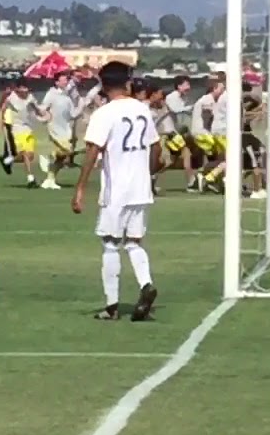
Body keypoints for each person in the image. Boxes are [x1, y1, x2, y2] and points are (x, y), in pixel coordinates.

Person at [71, 61, 161, 322]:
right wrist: (150, 173)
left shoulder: (105, 113)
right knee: (134, 242)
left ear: (103, 84)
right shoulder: (142, 110)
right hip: (141, 187)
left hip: (117, 190)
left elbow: (93, 151)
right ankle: (146, 284)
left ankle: (111, 306)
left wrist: (80, 188)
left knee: (110, 243)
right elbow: (156, 148)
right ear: (127, 82)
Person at [0, 79, 50, 188]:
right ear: (17, 89)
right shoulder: (11, 98)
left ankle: (8, 160)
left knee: (30, 156)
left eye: (26, 88)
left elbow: (37, 110)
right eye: (23, 88)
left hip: (28, 129)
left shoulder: (30, 98)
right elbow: (2, 109)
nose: (25, 91)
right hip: (17, 129)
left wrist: (45, 115)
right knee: (25, 153)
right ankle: (31, 179)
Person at [39, 71, 80, 189]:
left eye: (66, 80)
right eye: (63, 80)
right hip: (54, 128)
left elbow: (72, 114)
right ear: (57, 82)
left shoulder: (67, 96)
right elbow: (43, 108)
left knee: (63, 156)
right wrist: (43, 116)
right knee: (65, 151)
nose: (66, 82)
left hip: (65, 129)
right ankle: (48, 160)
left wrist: (82, 106)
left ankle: (50, 179)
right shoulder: (51, 94)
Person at [155, 76, 196, 192]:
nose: (189, 87)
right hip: (165, 133)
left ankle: (191, 182)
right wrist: (192, 107)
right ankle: (151, 177)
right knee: (168, 161)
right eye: (186, 85)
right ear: (179, 86)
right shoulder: (172, 97)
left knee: (186, 154)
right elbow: (176, 110)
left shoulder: (183, 98)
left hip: (173, 133)